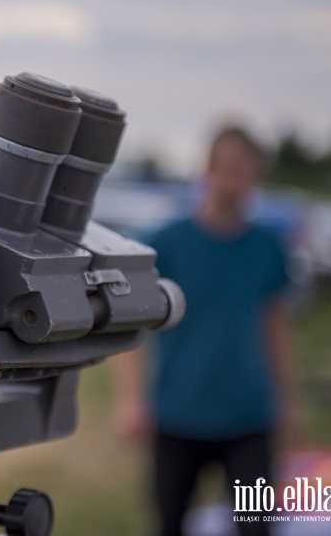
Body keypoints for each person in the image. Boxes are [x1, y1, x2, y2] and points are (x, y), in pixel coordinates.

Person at [112, 125, 299, 536]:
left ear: (256, 176)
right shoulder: (168, 242)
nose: (236, 178)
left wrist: (286, 403)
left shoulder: (267, 247)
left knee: (256, 526)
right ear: (208, 170)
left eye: (245, 170)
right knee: (170, 523)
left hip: (250, 417)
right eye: (228, 168)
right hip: (178, 414)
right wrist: (130, 400)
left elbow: (276, 328)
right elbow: (132, 323)